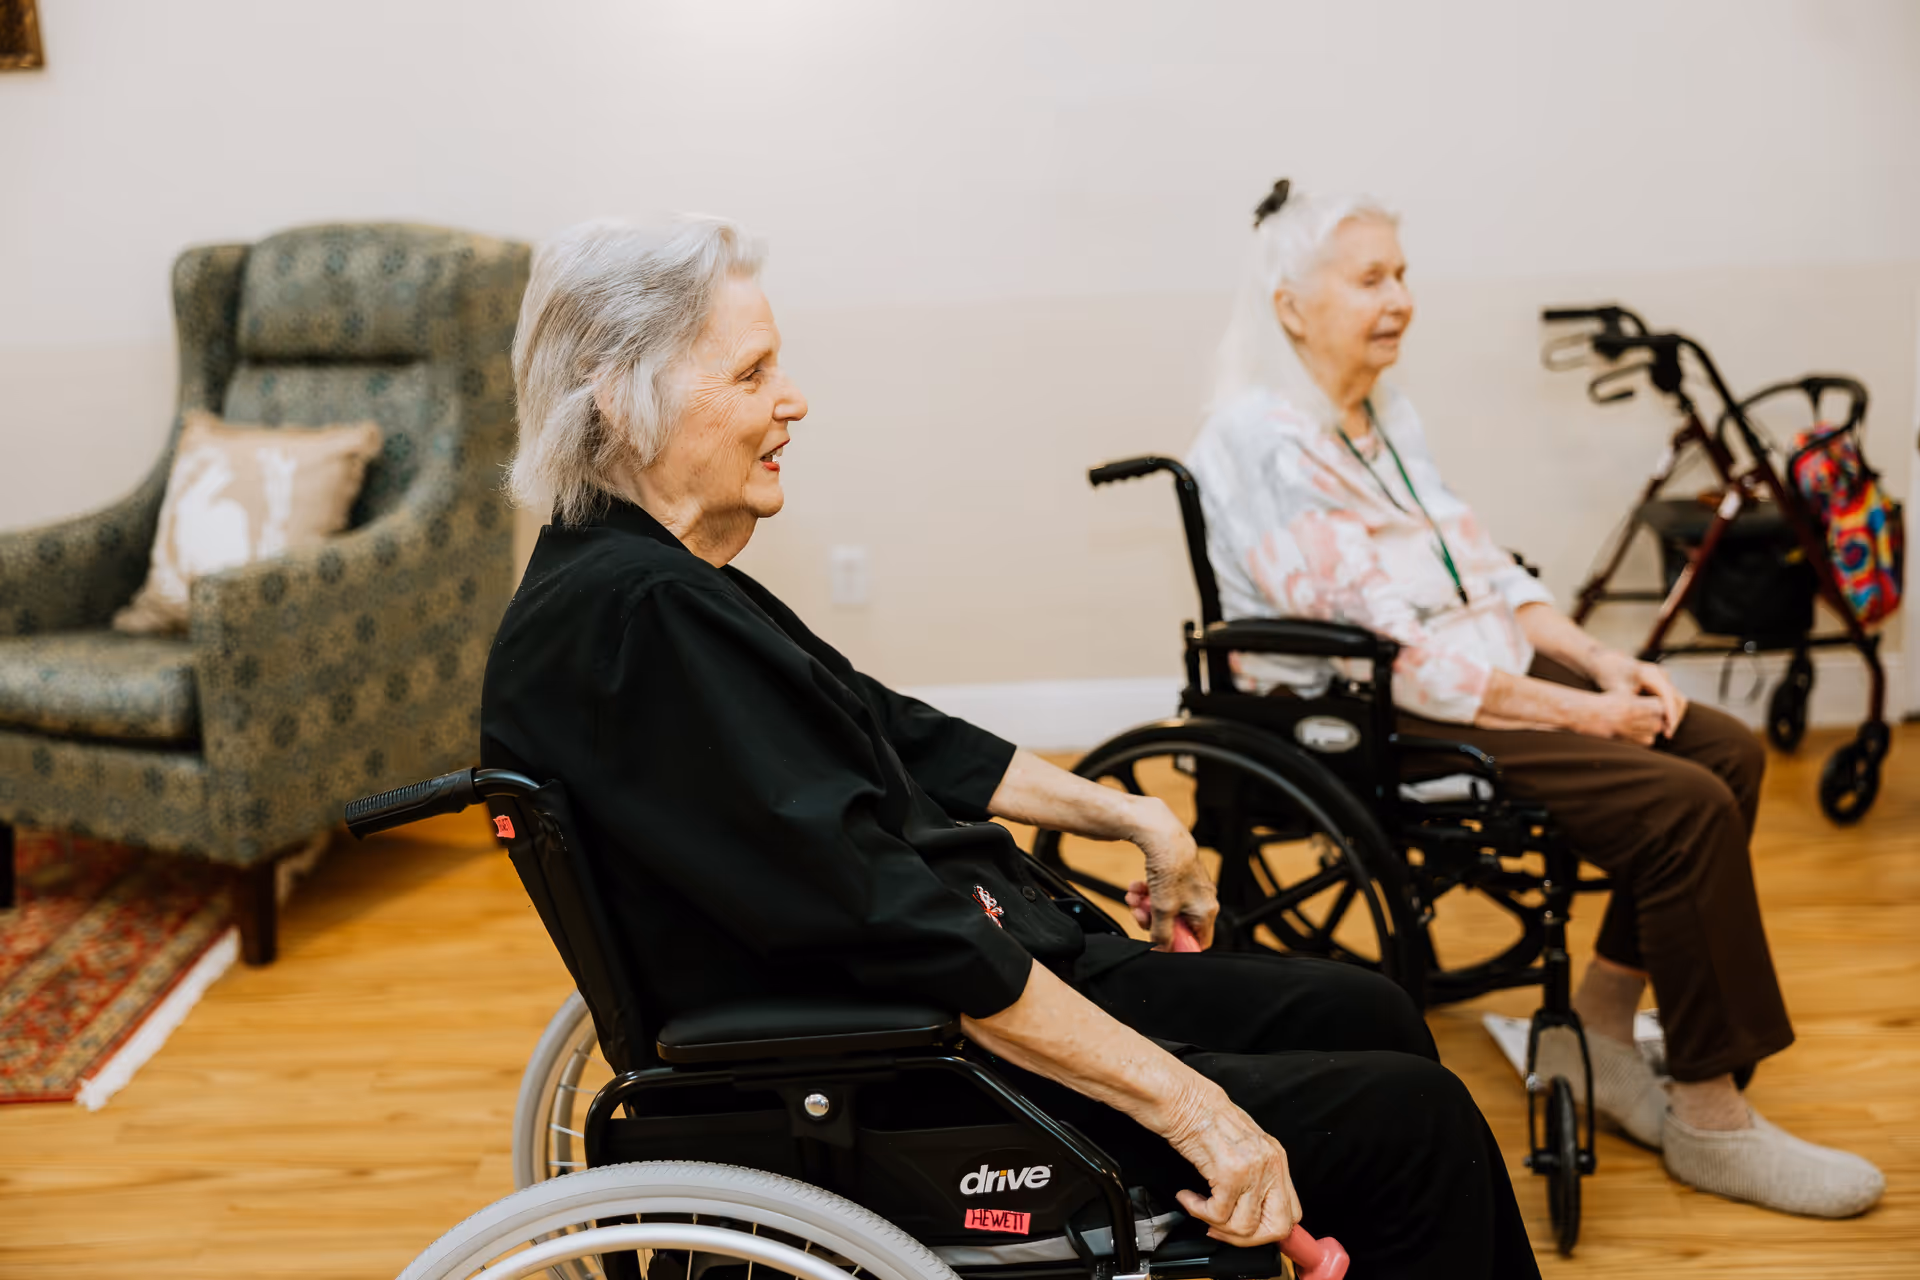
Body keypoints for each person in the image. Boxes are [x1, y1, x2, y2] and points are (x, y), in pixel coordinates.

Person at [482, 216, 1540, 1278]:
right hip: (914, 1067)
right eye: (753, 372)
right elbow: (887, 919)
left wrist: (1127, 811)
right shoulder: (640, 620)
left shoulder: (650, 584)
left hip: (949, 993)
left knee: (1368, 1008)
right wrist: (1194, 1106)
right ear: (620, 399)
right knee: (1418, 1126)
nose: (791, 399)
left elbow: (891, 729)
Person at [1187, 179, 1883, 1218]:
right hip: (1380, 702)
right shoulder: (1262, 438)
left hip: (1470, 665)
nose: (1401, 298)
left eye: (1404, 274)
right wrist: (1582, 715)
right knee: (1682, 805)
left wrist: (1597, 662)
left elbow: (1485, 567)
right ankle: (1709, 1112)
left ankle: (1604, 1029)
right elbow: (1389, 644)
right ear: (1292, 303)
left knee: (1724, 748)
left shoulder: (1380, 415)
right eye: (1372, 277)